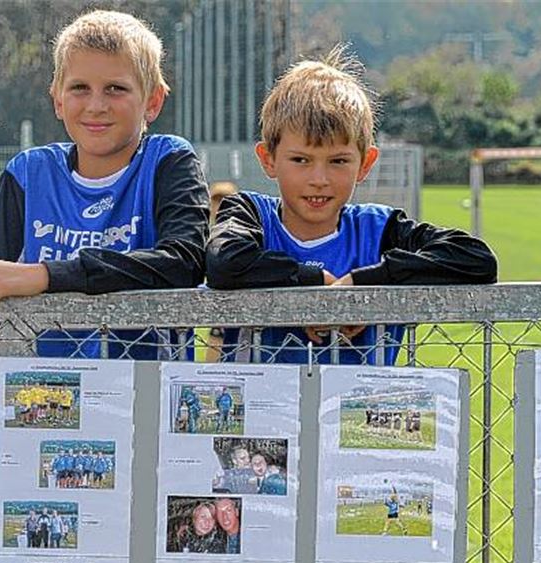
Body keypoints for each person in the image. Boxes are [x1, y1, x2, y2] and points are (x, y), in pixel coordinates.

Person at [0, 9, 209, 359]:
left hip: (147, 401)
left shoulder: (168, 161)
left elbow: (183, 262)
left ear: (153, 100)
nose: (96, 105)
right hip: (41, 398)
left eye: (116, 89)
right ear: (57, 98)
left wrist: (48, 276)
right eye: (80, 88)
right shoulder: (28, 174)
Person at [205, 45, 497, 365]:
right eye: (301, 160)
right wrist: (313, 285)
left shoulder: (378, 229)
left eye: (338, 161)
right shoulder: (251, 214)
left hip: (355, 414)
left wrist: (364, 284)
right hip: (261, 413)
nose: (319, 178)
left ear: (365, 163)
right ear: (268, 159)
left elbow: (477, 259)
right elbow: (224, 262)